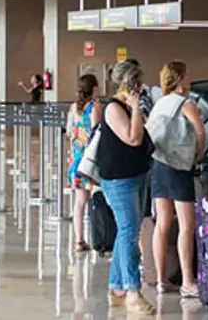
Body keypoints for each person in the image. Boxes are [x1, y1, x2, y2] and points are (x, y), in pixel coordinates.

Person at [147, 60, 206, 302]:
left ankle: (161, 280)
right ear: (179, 79)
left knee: (162, 223)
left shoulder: (159, 103)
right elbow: (201, 132)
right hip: (179, 167)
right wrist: (198, 155)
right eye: (186, 76)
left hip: (159, 165)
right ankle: (188, 281)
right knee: (186, 225)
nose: (188, 79)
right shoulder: (186, 103)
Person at [102, 59, 156, 314]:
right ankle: (133, 290)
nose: (140, 88)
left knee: (126, 232)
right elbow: (133, 138)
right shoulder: (113, 108)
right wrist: (135, 109)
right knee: (129, 232)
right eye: (136, 83)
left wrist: (136, 109)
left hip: (137, 174)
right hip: (118, 179)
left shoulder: (130, 106)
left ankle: (116, 286)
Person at [68, 74, 102, 253]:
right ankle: (101, 235)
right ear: (94, 88)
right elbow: (97, 133)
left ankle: (79, 240)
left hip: (77, 158)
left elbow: (71, 132)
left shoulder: (75, 108)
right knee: (99, 199)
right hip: (91, 160)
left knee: (80, 202)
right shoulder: (95, 107)